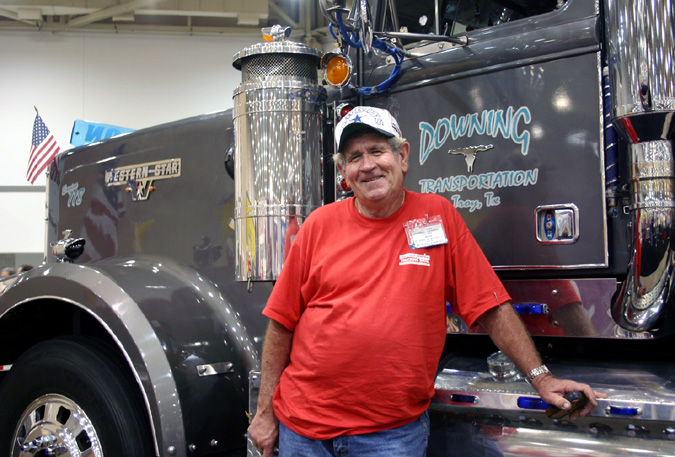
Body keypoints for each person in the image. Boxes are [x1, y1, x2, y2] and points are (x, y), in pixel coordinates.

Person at [248, 106, 606, 457]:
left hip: (389, 436)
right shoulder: (318, 225)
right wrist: (265, 413)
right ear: (343, 172)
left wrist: (541, 378)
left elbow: (490, 304)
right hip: (304, 430)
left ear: (402, 156)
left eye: (377, 151)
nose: (368, 165)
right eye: (355, 157)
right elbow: (282, 322)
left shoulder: (437, 215)